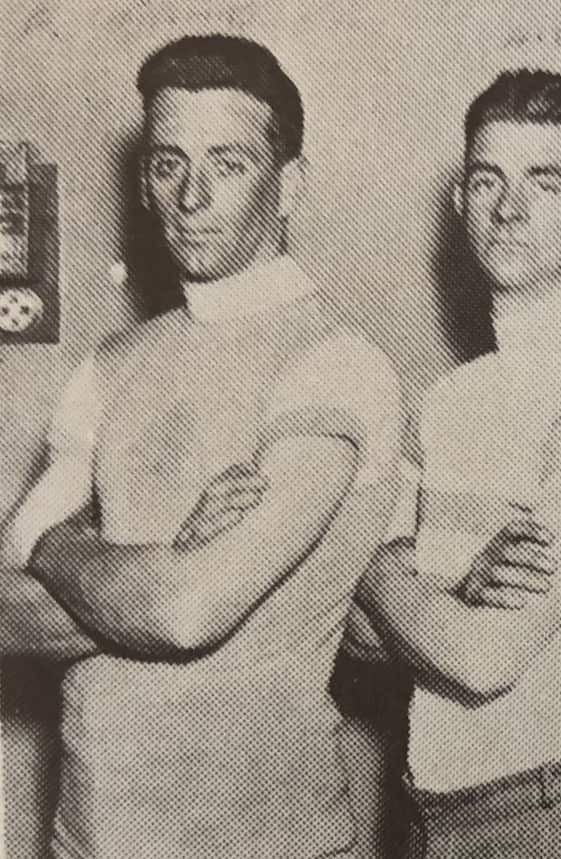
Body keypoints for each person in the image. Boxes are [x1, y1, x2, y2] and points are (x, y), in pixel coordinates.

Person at [0, 34, 402, 859]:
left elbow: (184, 613)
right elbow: (6, 614)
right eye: (167, 163)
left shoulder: (336, 363)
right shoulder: (110, 364)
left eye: (229, 163)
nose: (191, 196)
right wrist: (160, 562)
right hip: (87, 839)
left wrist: (51, 544)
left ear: (289, 183)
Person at [351, 69, 561, 857]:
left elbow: (481, 657)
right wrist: (446, 594)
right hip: (440, 819)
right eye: (487, 180)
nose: (508, 208)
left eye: (545, 181)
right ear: (459, 200)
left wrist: (373, 560)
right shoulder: (450, 399)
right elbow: (359, 640)